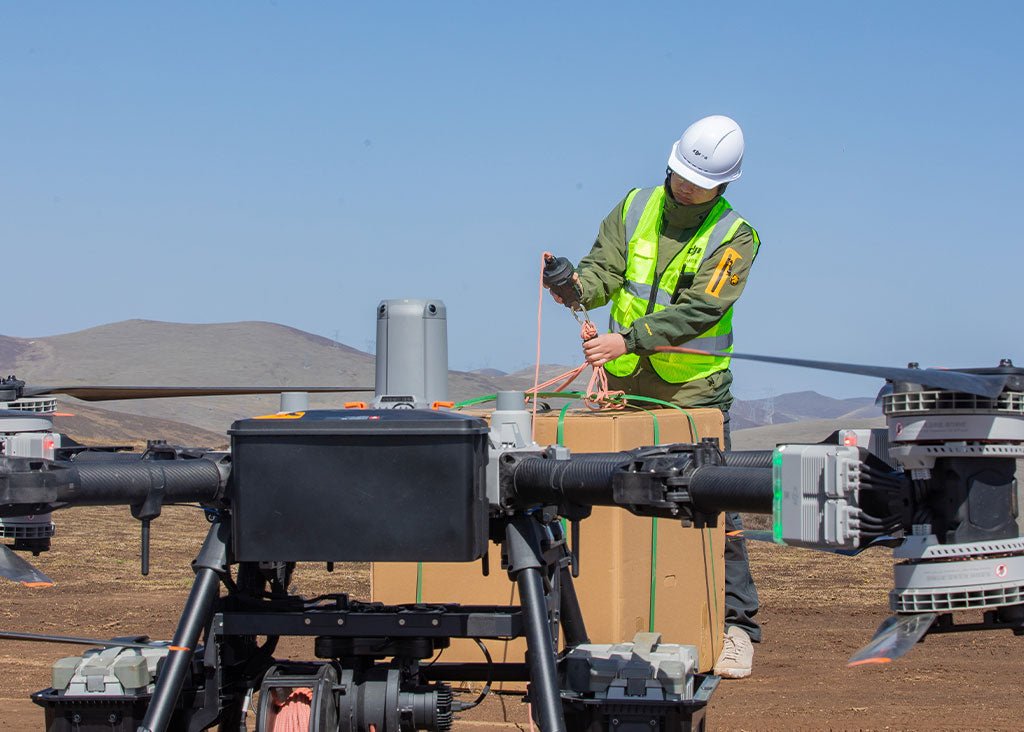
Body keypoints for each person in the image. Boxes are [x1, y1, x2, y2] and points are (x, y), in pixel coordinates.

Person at [546, 114, 762, 679]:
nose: (686, 187)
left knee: (712, 502)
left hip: (692, 393)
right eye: (682, 174)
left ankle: (737, 627)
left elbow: (702, 309)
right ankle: (608, 617)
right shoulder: (634, 206)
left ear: (724, 184)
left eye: (700, 182)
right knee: (606, 498)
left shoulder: (736, 237)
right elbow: (604, 270)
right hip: (623, 385)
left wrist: (629, 338)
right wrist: (574, 287)